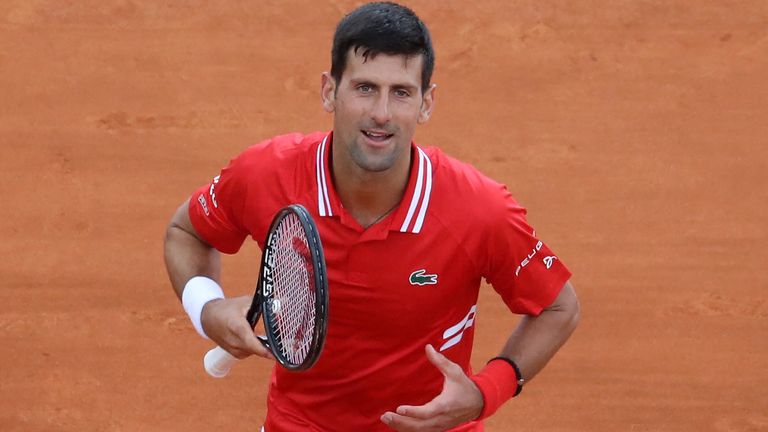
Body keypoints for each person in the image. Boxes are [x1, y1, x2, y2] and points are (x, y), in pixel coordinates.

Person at [164, 2, 580, 431]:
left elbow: (558, 307)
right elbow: (186, 232)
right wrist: (206, 309)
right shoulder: (266, 175)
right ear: (329, 91)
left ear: (426, 103)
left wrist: (483, 393)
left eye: (401, 92)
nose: (381, 114)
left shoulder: (478, 209)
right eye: (365, 88)